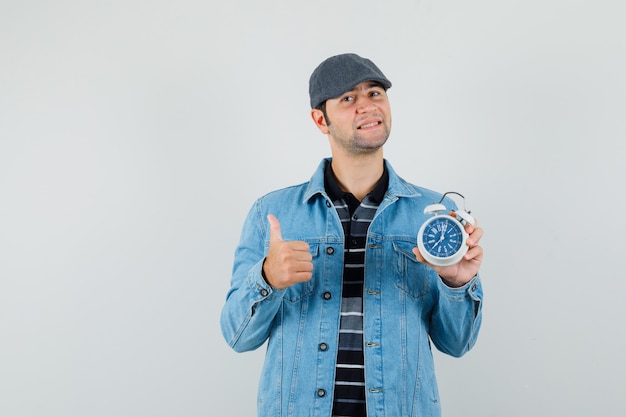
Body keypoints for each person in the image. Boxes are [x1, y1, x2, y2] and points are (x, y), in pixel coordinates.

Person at [220, 53, 484, 417]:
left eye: (375, 93)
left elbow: (457, 344)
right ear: (320, 120)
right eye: (348, 98)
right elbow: (237, 336)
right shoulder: (274, 212)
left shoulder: (435, 216)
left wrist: (456, 284)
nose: (366, 105)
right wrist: (267, 278)